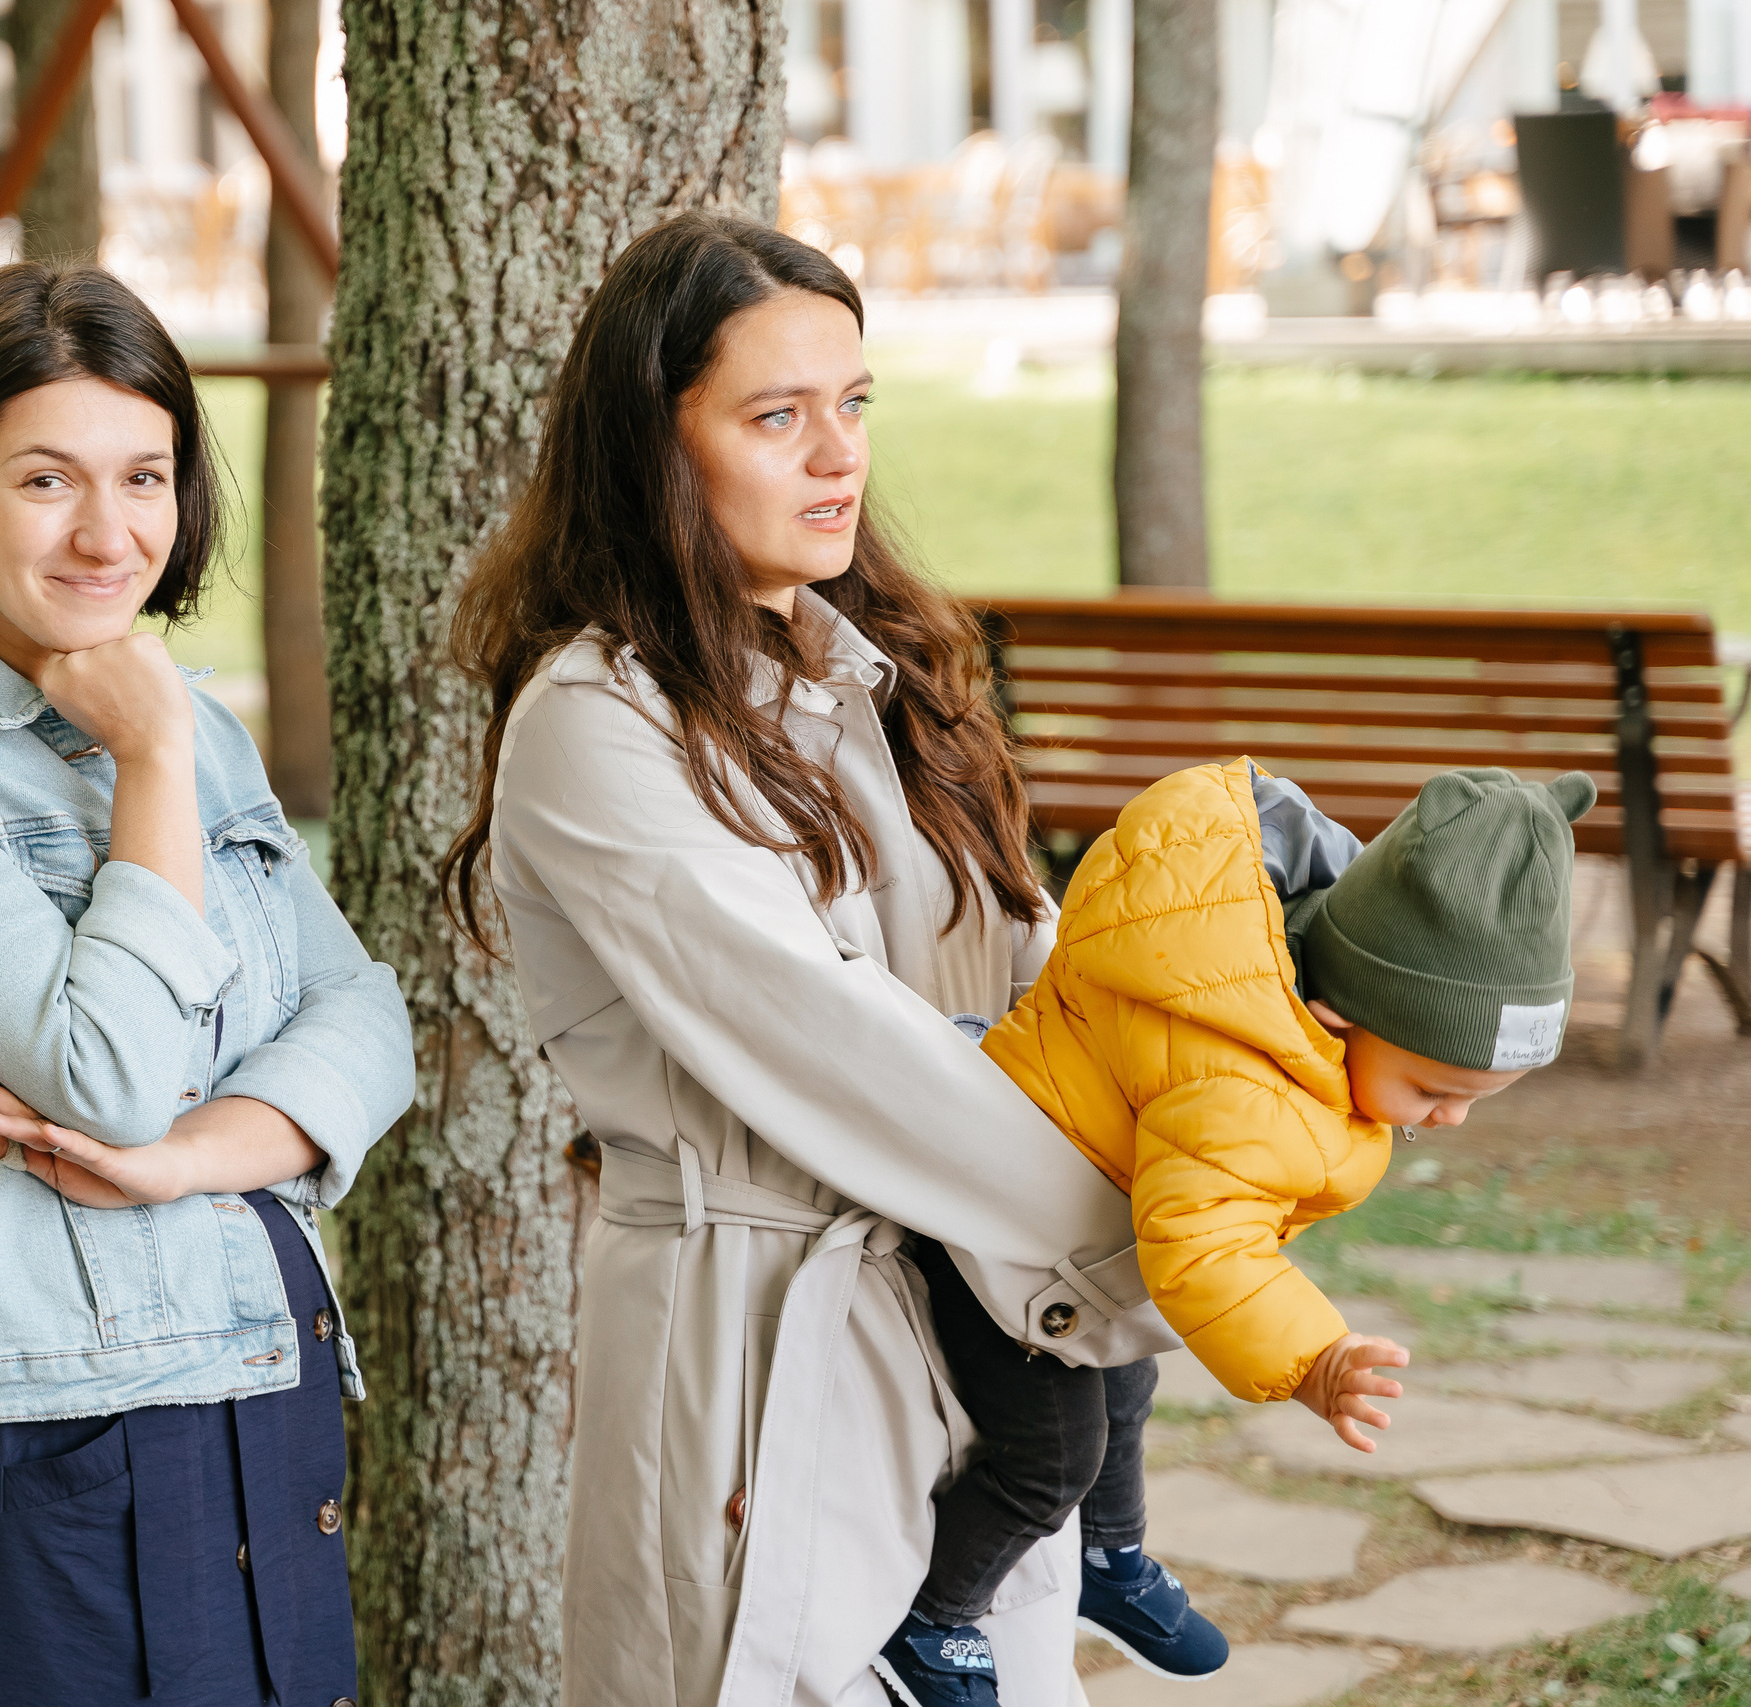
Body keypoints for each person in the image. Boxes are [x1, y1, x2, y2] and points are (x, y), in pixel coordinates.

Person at [444, 211, 1181, 1707]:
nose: (838, 455)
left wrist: (1238, 1060)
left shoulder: (868, 675)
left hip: (975, 1317)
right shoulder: (599, 719)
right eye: (778, 417)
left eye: (852, 405)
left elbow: (1017, 976)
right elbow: (835, 1044)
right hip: (757, 1339)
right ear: (658, 447)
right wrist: (1160, 1239)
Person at [0, 261, 413, 1707]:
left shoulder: (191, 722)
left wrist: (184, 1158)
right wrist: (154, 763)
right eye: (47, 478)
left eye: (146, 476)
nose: (107, 532)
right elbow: (101, 1071)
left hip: (264, 1391)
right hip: (39, 1434)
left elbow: (367, 1021)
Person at [880, 761, 1593, 1703]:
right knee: (1053, 1453)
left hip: (1066, 1237)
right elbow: (1205, 1248)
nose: (1451, 1119)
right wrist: (1314, 1359)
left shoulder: (1270, 997)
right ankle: (935, 1621)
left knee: (1126, 1380)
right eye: (1436, 1091)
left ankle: (1107, 1555)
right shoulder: (1237, 1078)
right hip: (992, 1242)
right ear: (1345, 1016)